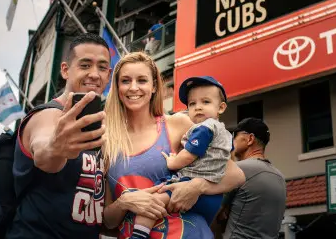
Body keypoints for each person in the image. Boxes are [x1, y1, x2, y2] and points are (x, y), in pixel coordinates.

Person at [101, 52, 245, 239]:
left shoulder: (177, 124)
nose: (134, 87)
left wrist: (195, 187)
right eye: (126, 81)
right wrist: (123, 203)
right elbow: (108, 222)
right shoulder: (106, 141)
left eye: (142, 80)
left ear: (154, 86)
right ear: (117, 87)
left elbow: (235, 175)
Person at [6, 33, 111, 239]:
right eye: (85, 65)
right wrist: (56, 148)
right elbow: (44, 153)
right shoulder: (46, 115)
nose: (94, 74)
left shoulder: (100, 123)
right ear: (65, 70)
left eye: (102, 67)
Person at [131, 75, 233, 237]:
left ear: (220, 108)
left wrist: (172, 162)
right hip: (214, 195)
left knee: (150, 202)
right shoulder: (225, 134)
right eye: (192, 104)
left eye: (205, 102)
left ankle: (138, 235)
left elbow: (188, 156)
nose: (198, 107)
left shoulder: (204, 129)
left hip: (189, 184)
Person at [218, 118, 287, 239]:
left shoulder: (238, 169)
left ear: (250, 139)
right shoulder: (280, 177)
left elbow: (214, 212)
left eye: (235, 136)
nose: (232, 141)